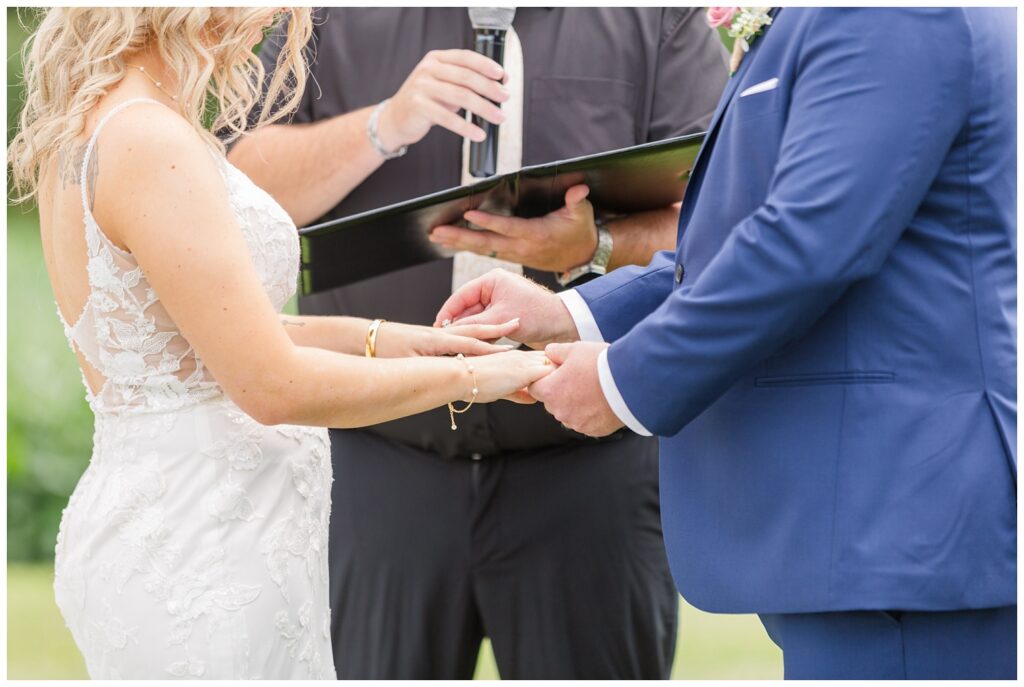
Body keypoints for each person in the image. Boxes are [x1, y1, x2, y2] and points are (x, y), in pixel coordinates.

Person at [438, 7, 1017, 680]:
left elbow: (805, 244)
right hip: (860, 539)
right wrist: (570, 313)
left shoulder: (892, 13)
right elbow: (738, 236)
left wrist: (624, 381)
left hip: (901, 530)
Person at [8, 7, 552, 679]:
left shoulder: (109, 119)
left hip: (189, 520)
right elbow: (271, 384)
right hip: (203, 548)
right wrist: (477, 381)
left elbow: (215, 332)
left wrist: (419, 344)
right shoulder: (149, 139)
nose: (269, 24)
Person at [228, 7, 728, 680]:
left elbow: (725, 222)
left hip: (589, 473)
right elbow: (237, 190)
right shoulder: (324, 15)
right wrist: (384, 125)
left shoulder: (656, 16)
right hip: (376, 468)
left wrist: (596, 244)